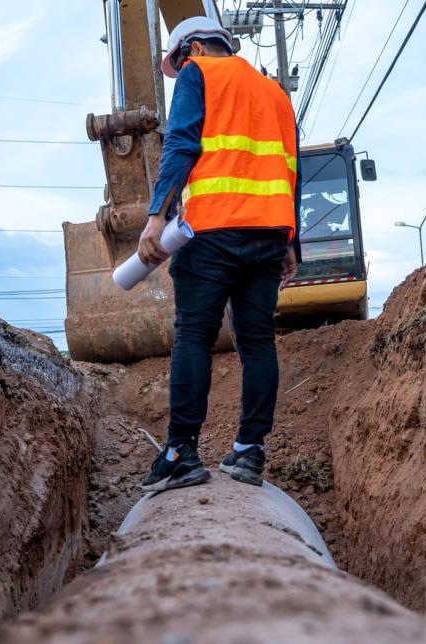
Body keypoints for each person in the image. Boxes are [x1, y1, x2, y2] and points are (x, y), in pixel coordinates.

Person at [137, 16, 301, 491]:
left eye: (181, 58)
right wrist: (291, 242)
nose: (181, 66)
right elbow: (291, 167)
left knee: (193, 336)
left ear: (193, 48)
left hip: (212, 231)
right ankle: (249, 453)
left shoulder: (198, 74)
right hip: (268, 235)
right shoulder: (274, 92)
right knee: (257, 342)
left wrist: (157, 215)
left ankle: (180, 453)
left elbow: (182, 145)